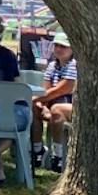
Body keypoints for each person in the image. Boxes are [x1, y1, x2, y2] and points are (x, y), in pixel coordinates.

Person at [33, 32, 79, 171]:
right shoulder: (52, 65)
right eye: (56, 45)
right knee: (34, 106)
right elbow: (45, 90)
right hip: (53, 104)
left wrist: (38, 98)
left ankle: (58, 155)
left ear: (72, 49)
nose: (58, 49)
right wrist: (41, 104)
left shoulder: (74, 65)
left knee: (57, 109)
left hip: (73, 107)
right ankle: (37, 150)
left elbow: (62, 89)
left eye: (63, 46)